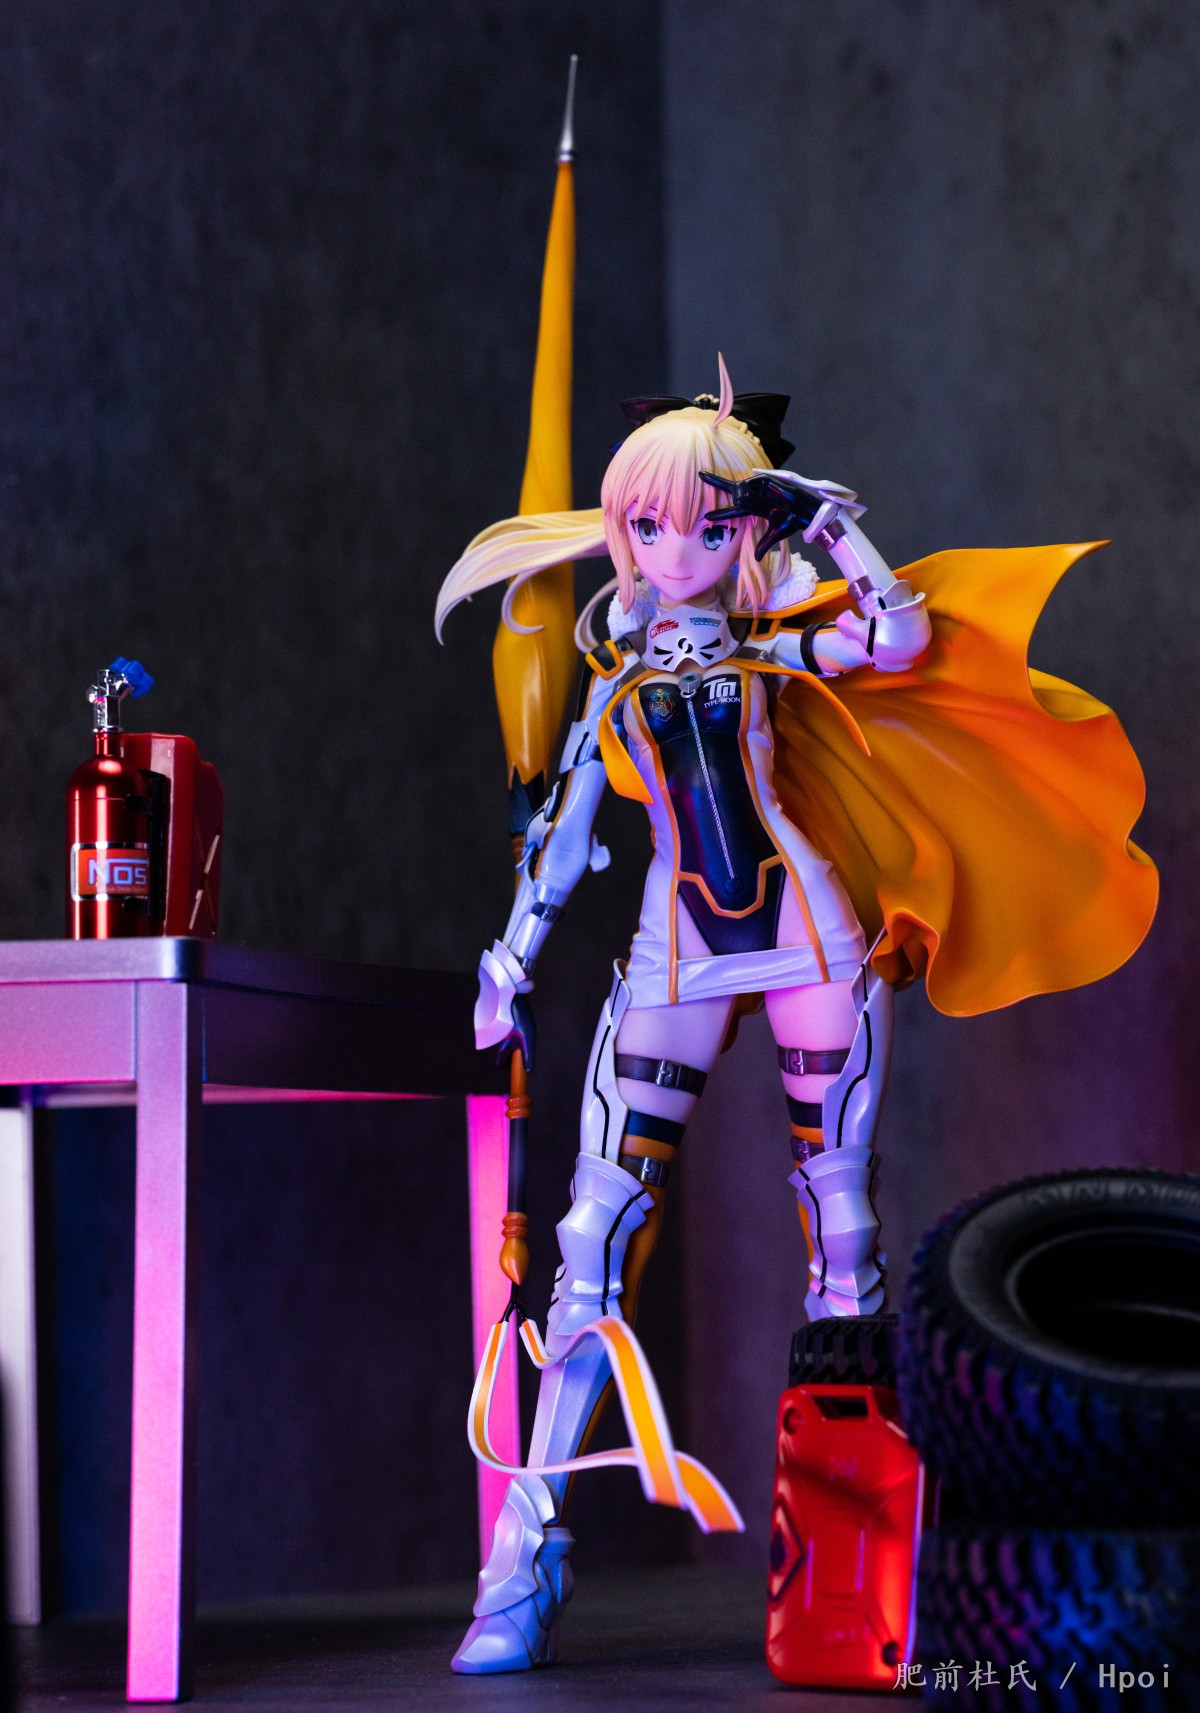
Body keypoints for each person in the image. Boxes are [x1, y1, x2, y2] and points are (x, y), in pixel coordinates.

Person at [434, 356, 1156, 1674]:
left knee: (843, 1237)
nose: (679, 550)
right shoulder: (615, 680)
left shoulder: (772, 647)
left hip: (809, 939)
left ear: (745, 531)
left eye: (712, 525)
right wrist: (512, 955)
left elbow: (900, 640)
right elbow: (567, 839)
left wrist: (828, 525)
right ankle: (523, 1558)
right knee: (592, 1236)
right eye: (652, 525)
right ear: (623, 529)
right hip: (672, 952)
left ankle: (858, 1564)